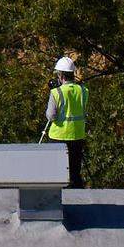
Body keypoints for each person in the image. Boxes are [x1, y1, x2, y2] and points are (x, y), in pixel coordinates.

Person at [46, 56, 89, 189]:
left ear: (60, 75)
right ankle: (77, 197)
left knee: (57, 172)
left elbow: (51, 116)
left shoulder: (56, 92)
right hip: (77, 134)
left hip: (58, 136)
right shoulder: (83, 90)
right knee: (75, 171)